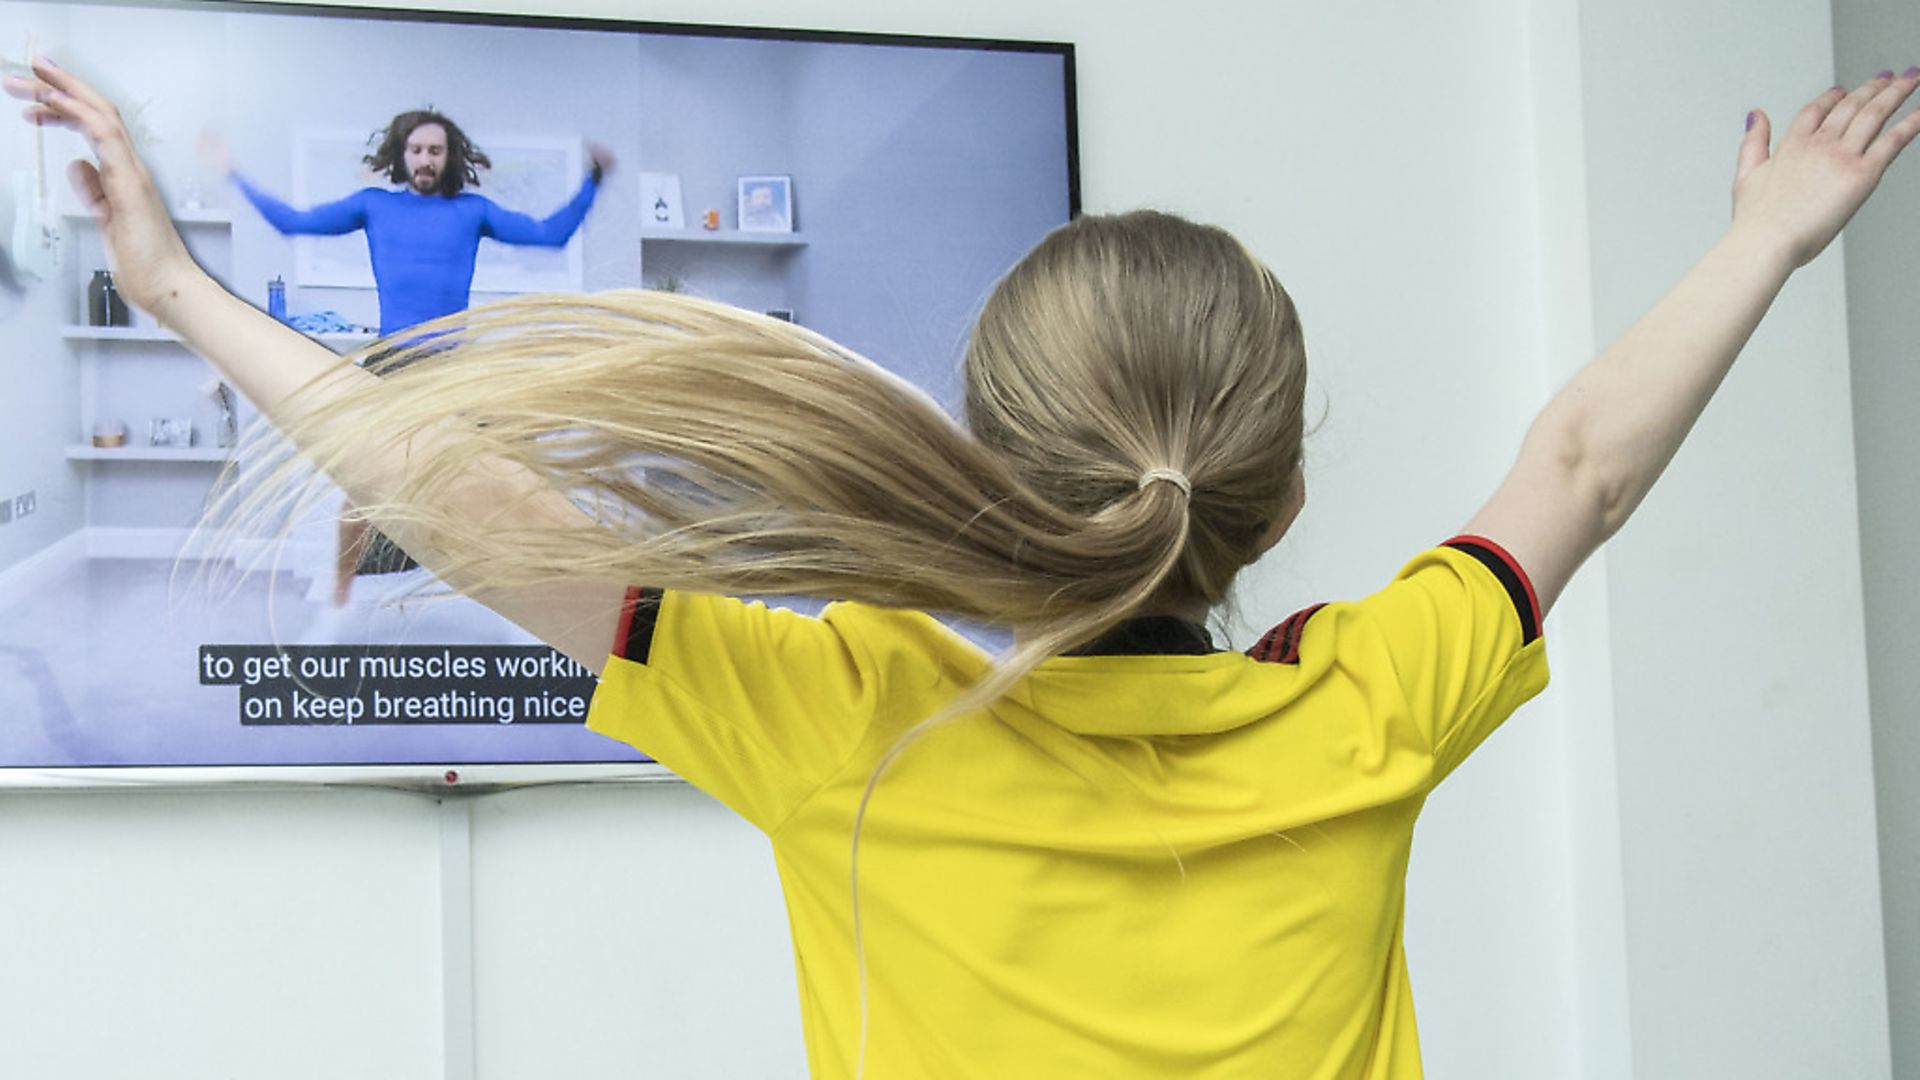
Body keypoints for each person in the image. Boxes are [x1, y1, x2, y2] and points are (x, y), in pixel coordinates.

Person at [11, 55, 1917, 1079]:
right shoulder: (1368, 706)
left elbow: (442, 484)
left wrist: (169, 284)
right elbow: (1578, 465)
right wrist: (1764, 238)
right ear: (1283, 480)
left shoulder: (845, 720)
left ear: (993, 445)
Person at [201, 111, 616, 603]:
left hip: (451, 369)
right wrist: (233, 173)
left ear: (449, 157)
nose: (425, 160)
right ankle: (340, 593)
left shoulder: (472, 212)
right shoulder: (374, 205)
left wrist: (593, 179)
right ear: (402, 155)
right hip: (391, 365)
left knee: (487, 474)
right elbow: (294, 222)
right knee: (362, 483)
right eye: (416, 150)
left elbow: (550, 235)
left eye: (435, 151)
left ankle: (506, 584)